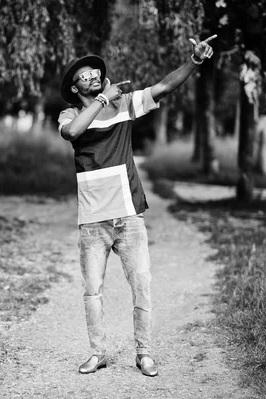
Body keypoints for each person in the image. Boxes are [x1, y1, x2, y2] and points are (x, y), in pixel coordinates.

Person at [58, 35, 216, 376]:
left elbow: (163, 87)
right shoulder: (71, 112)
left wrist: (194, 60)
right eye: (85, 76)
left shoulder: (125, 103)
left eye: (96, 72)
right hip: (92, 219)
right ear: (75, 87)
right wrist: (101, 101)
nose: (94, 77)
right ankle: (97, 352)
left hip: (128, 212)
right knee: (93, 291)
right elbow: (72, 132)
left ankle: (144, 353)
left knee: (141, 285)